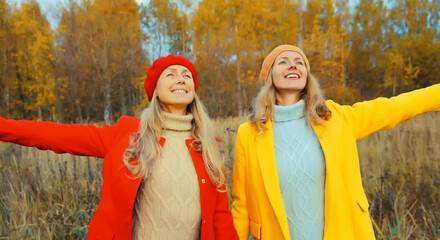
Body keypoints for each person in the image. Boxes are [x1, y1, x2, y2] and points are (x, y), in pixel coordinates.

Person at [0, 54, 239, 240]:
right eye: (171, 75)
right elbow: (59, 136)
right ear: (154, 91)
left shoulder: (208, 144)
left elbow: (220, 216)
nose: (181, 79)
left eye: (187, 75)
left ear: (193, 91)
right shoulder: (127, 135)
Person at [231, 44, 440, 240]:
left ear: (306, 76)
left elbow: (396, 107)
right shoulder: (249, 134)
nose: (293, 64)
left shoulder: (335, 118)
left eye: (300, 62)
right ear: (269, 76)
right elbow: (242, 207)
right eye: (283, 62)